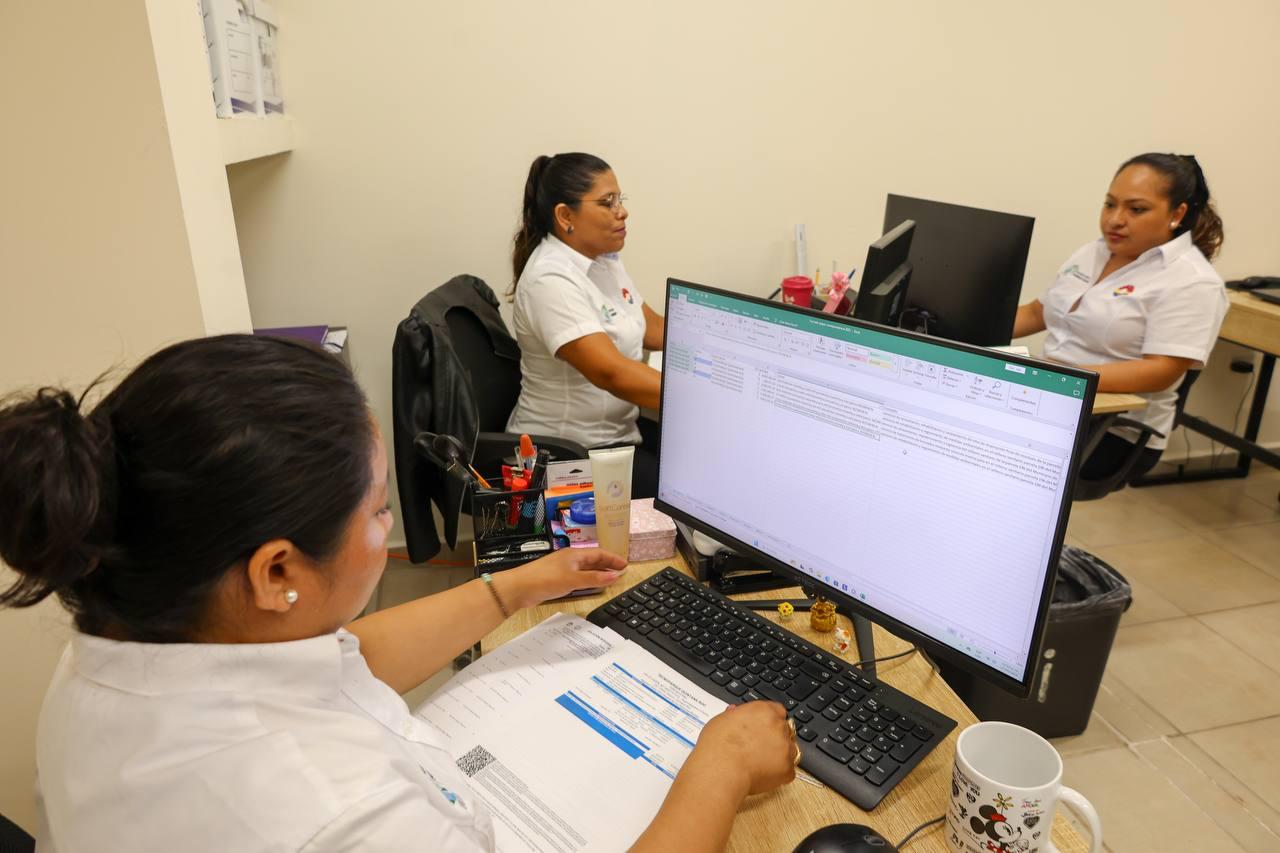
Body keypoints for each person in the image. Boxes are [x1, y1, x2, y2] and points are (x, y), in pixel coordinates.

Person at [0, 335, 797, 853]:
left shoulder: (127, 641)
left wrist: (518, 585)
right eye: (379, 510)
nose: (390, 527)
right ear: (277, 573)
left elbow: (345, 661)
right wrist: (722, 764)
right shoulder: (334, 812)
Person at [1012, 153, 1228, 481]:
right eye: (1110, 204)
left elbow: (1161, 370)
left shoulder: (1192, 281)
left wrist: (1059, 378)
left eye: (1136, 209)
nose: (1115, 219)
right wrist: (958, 328)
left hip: (1113, 430)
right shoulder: (1092, 252)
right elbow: (1036, 312)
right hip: (1053, 401)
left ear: (1177, 214)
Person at [507, 152, 664, 498]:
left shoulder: (603, 260)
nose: (622, 211)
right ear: (565, 216)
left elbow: (652, 328)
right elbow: (612, 373)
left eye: (620, 199)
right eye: (607, 203)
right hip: (569, 457)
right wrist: (698, 395)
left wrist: (726, 349)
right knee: (693, 492)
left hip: (616, 436)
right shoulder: (550, 280)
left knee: (700, 459)